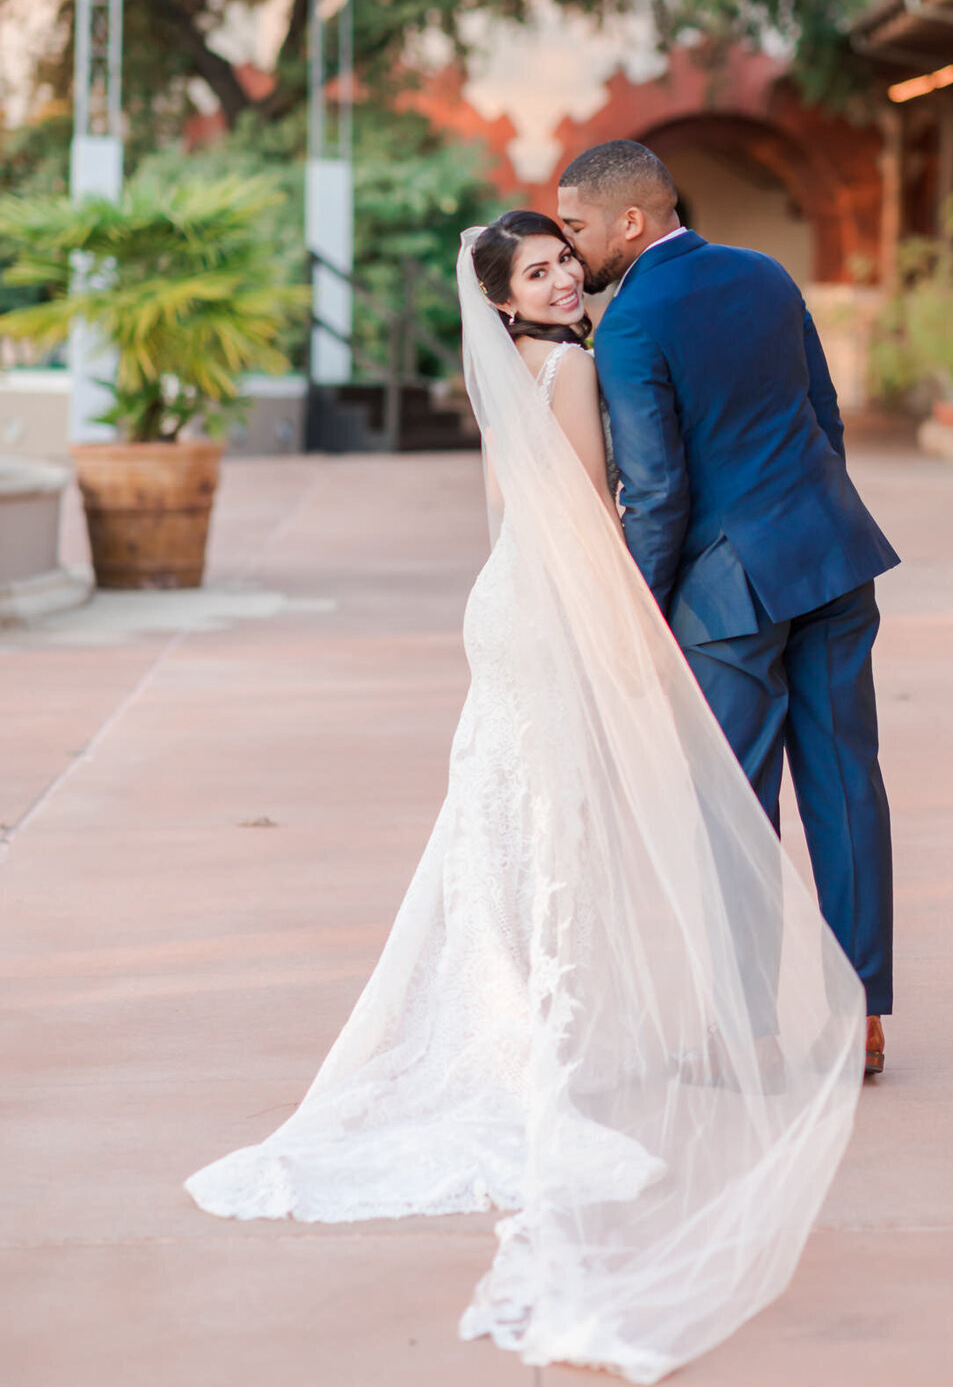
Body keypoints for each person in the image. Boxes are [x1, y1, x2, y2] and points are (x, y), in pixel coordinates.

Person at [184, 209, 864, 1384]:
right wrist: (640, 631)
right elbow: (611, 517)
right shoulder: (577, 365)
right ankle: (534, 1030)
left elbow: (519, 512)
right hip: (548, 609)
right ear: (504, 298)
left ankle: (514, 1012)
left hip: (505, 599)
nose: (560, 279)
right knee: (552, 819)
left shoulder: (505, 368)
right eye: (537, 271)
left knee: (505, 818)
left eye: (562, 260)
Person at [558, 141, 899, 1077]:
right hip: (832, 558)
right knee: (846, 786)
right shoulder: (766, 273)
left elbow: (658, 491)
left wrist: (640, 610)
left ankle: (745, 1033)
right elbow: (825, 419)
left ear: (631, 221)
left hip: (726, 595)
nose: (572, 247)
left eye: (579, 227)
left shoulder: (629, 325)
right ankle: (861, 1018)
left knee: (735, 810)